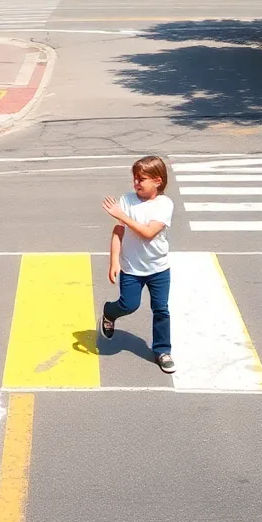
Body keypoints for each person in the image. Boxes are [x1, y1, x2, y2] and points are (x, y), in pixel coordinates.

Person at [99, 156, 176, 374]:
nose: (136, 184)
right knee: (128, 305)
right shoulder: (126, 199)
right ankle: (109, 312)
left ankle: (162, 350)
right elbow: (118, 231)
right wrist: (114, 260)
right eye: (134, 179)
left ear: (157, 181)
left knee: (161, 309)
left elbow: (149, 234)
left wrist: (122, 215)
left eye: (141, 179)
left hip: (159, 268)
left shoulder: (164, 204)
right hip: (131, 268)